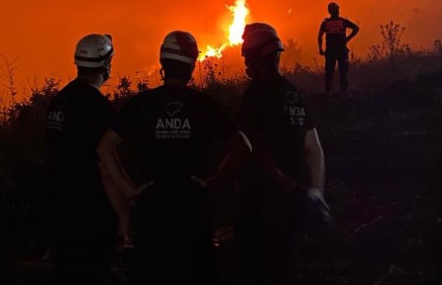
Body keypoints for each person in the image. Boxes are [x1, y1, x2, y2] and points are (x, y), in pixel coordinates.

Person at [97, 30, 251, 285]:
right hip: (194, 211)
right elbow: (243, 147)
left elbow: (104, 148)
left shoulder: (142, 104)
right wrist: (212, 183)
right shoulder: (204, 104)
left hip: (151, 211)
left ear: (163, 64)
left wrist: (131, 190)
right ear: (191, 65)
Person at [233, 23, 331, 285]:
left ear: (256, 57)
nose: (246, 62)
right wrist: (314, 192)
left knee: (253, 269)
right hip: (294, 200)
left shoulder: (256, 95)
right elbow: (314, 147)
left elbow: (252, 147)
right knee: (286, 266)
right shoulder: (292, 93)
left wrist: (282, 183)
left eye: (247, 56)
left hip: (262, 201)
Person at [45, 34, 129, 285]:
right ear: (105, 64)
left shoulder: (59, 100)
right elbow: (105, 166)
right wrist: (124, 214)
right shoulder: (96, 106)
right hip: (91, 212)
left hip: (61, 207)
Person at [317, 2, 359, 96]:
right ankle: (343, 90)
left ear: (329, 11)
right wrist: (348, 38)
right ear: (337, 10)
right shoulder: (343, 22)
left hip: (330, 51)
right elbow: (356, 28)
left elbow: (320, 36)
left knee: (329, 72)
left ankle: (328, 91)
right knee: (343, 72)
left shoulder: (325, 23)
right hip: (342, 51)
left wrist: (320, 48)